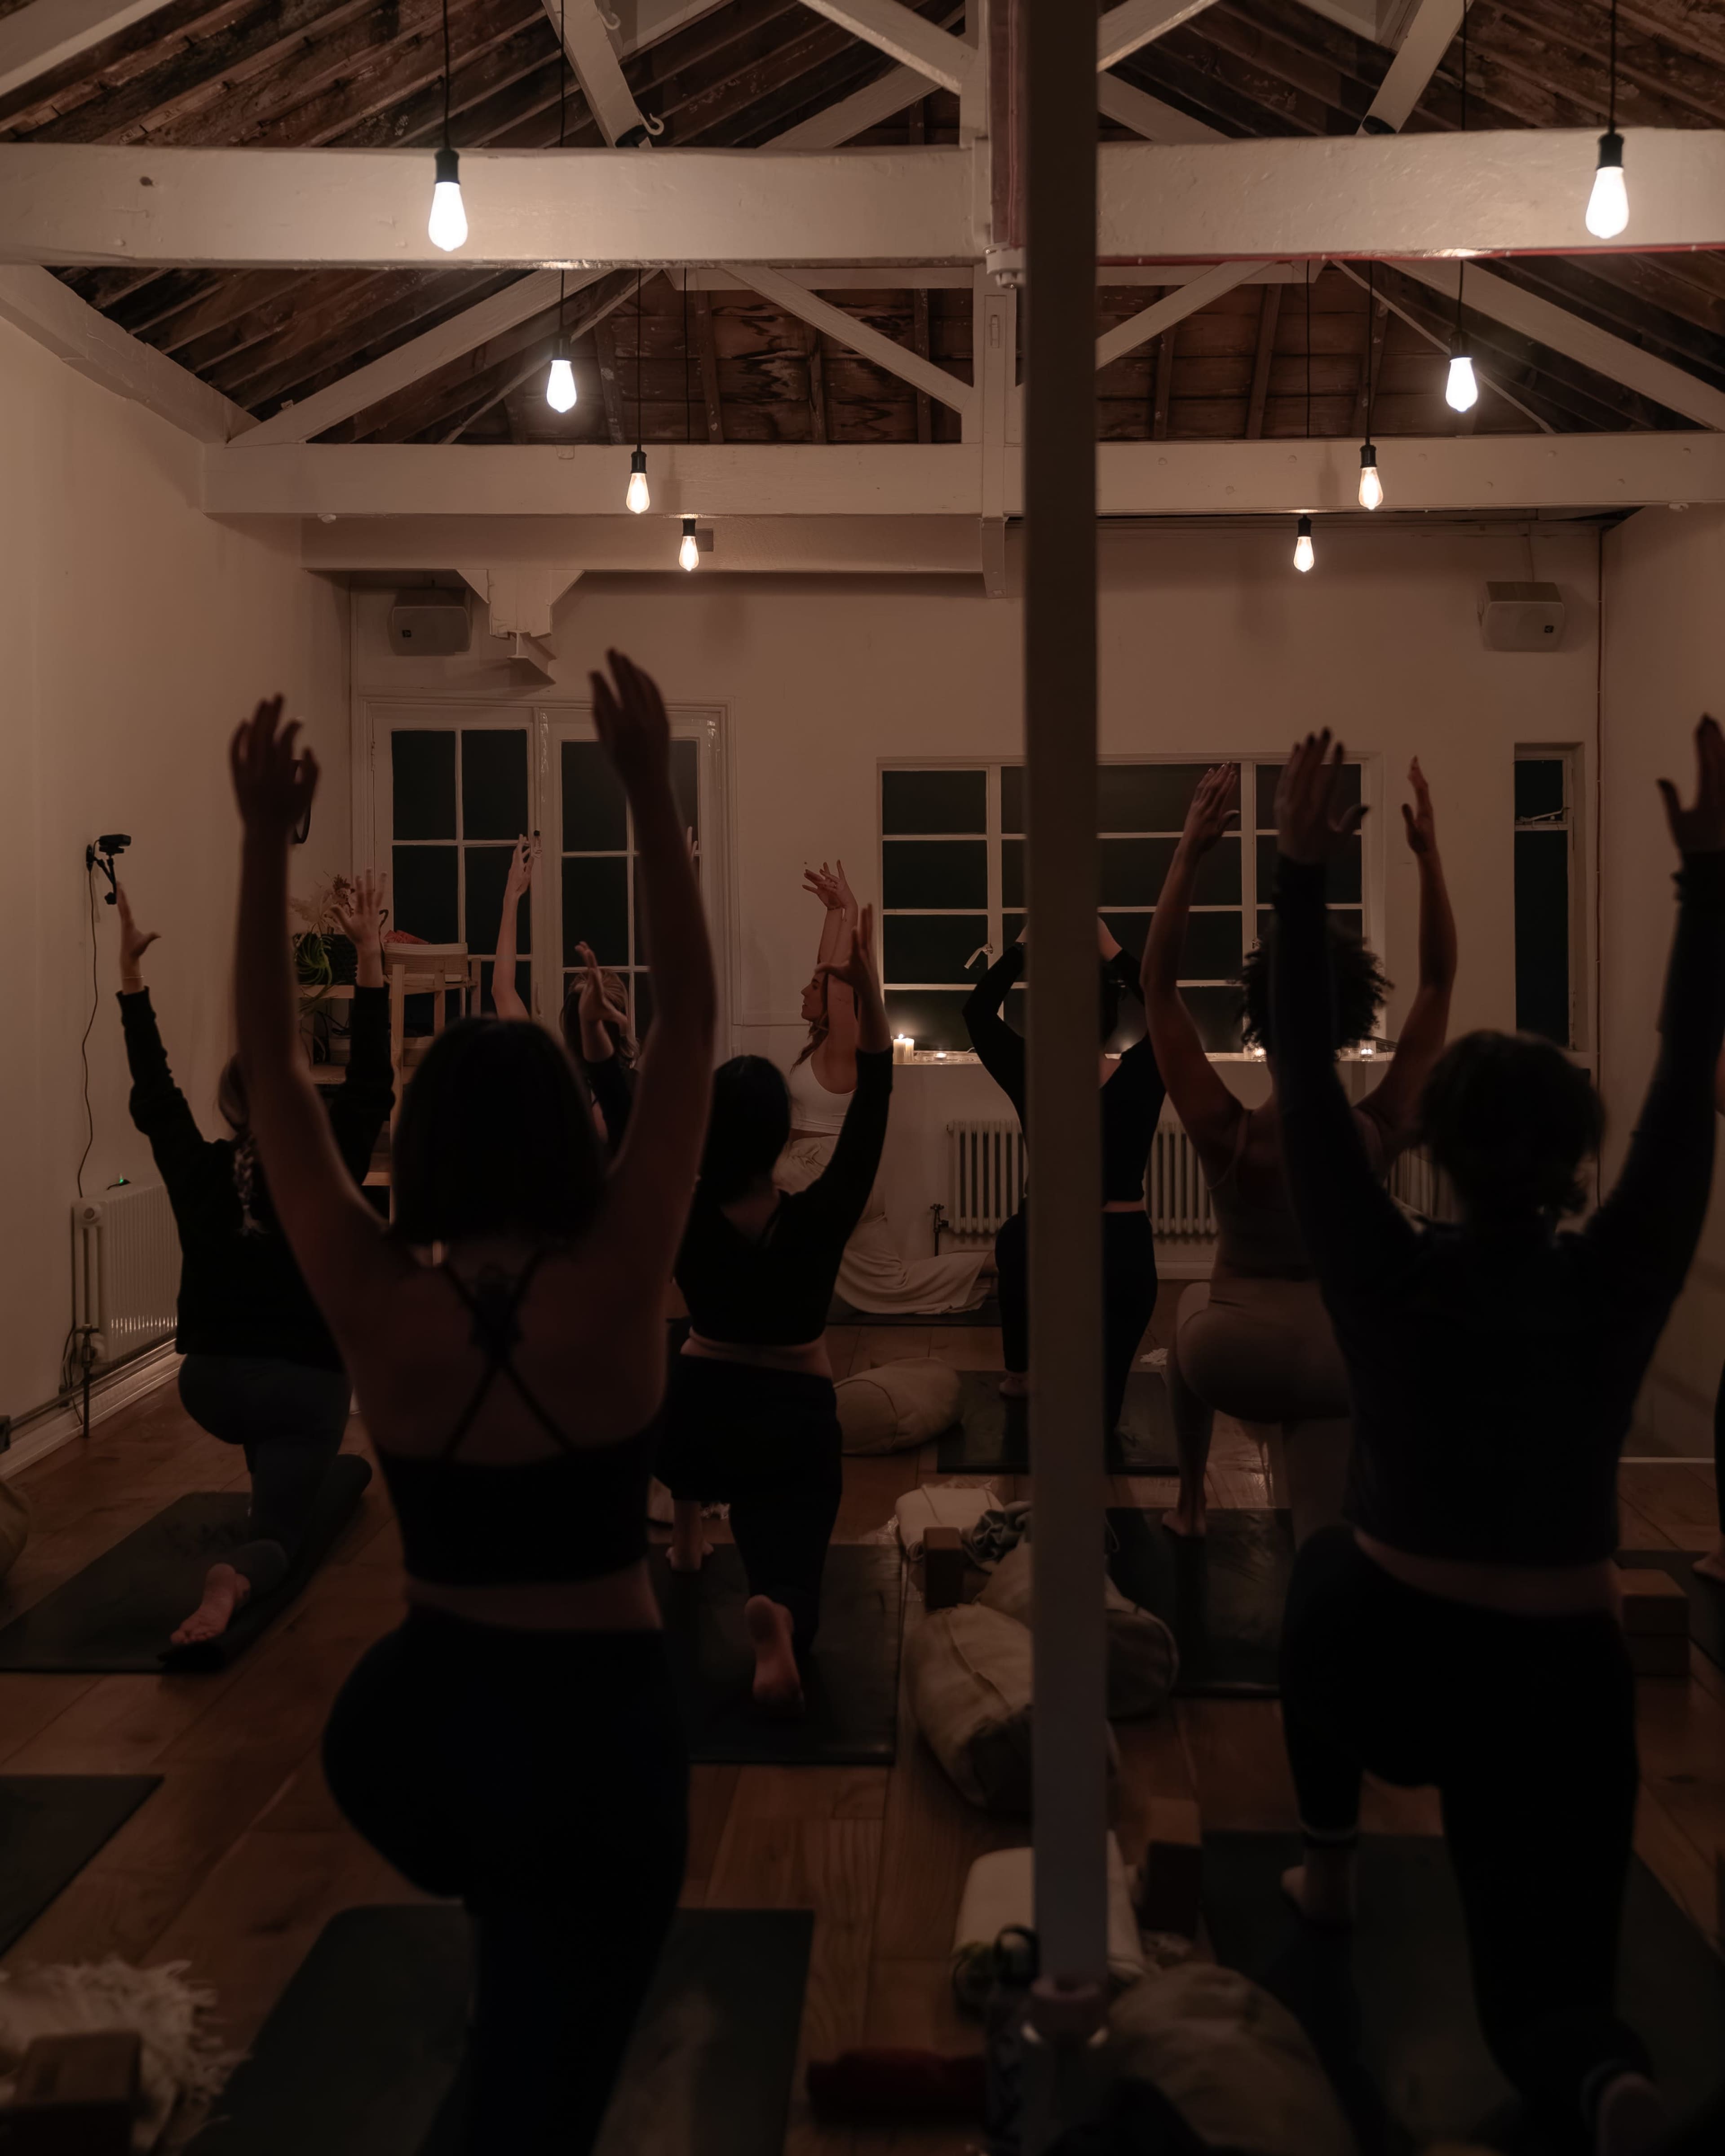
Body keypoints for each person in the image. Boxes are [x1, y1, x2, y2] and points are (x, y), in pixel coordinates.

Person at [228, 654, 714, 2155]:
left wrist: (263, 841)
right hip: (605, 1734)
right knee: (542, 2101)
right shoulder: (618, 1278)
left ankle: (506, 1986)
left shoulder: (379, 1303)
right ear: (568, 1138)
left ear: (430, 1144)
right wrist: (646, 792)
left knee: (519, 1993)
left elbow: (276, 1076)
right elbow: (690, 1027)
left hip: (433, 1727)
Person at [1269, 722, 1725, 2156]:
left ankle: (1330, 1866)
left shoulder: (1387, 1274)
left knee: (1316, 1571)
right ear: (1576, 1159)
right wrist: (1708, 886)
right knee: (1544, 2002)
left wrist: (1295, 869)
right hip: (1565, 1680)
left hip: (1390, 1659)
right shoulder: (1617, 1279)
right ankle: (1603, 2078)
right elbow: (1684, 1082)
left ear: (1436, 1151)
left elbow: (1299, 1074)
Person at [1142, 761, 1455, 1543]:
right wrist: (1428, 858)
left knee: (1187, 1309)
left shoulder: (1229, 1133)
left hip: (1235, 1357)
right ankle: (1344, 1524)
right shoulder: (1376, 1130)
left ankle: (1191, 1501)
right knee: (1331, 1460)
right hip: (1348, 1358)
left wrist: (1189, 849)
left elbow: (1158, 987)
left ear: (1260, 1020)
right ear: (1348, 1022)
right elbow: (1437, 984)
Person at [114, 872, 393, 1647]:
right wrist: (369, 952)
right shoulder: (326, 1163)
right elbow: (372, 1081)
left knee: (264, 1417)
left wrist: (131, 978)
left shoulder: (202, 1168)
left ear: (231, 1105)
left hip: (208, 1384)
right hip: (301, 1385)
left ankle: (267, 1474)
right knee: (278, 1538)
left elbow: (156, 1091)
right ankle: (234, 1578)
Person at [658, 907, 893, 1715]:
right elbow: (877, 1090)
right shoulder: (820, 1216)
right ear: (778, 1134)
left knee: (670, 1378)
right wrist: (867, 989)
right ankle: (783, 1612)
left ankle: (685, 1539)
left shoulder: (683, 1210)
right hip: (793, 1416)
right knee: (791, 1541)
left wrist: (602, 1037)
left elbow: (636, 1101)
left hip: (695, 1417)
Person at [964, 918, 1165, 1441]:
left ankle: (1021, 1373)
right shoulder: (1145, 1073)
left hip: (1047, 1246)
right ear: (1110, 1015)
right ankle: (1062, 1385)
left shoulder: (1031, 1070)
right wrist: (1111, 948)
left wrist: (1023, 946)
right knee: (1097, 1422)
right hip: (1123, 1256)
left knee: (1017, 1237)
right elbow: (1170, 1011)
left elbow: (977, 1011)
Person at [779, 861, 989, 1316]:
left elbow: (837, 983)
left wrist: (852, 909)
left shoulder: (842, 1048)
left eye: (813, 987)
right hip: (836, 1170)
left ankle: (1006, 1263)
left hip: (823, 1169)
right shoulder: (824, 1044)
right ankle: (1000, 1265)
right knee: (893, 1282)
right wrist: (833, 912)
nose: (804, 990)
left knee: (751, 1190)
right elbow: (828, 973)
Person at [491, 837, 636, 1149]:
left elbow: (502, 989)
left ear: (569, 1018)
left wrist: (512, 898)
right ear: (619, 1016)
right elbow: (683, 1012)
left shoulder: (548, 1078)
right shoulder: (638, 1086)